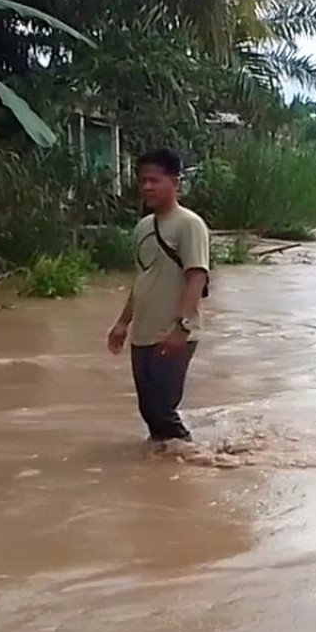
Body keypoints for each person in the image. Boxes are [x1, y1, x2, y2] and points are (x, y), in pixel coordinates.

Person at [107, 148, 211, 446]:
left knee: (163, 409)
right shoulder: (143, 227)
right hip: (143, 334)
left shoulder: (189, 224)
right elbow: (142, 280)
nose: (147, 187)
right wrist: (122, 323)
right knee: (149, 411)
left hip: (173, 332)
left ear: (175, 183)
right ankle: (162, 465)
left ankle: (191, 460)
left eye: (155, 180)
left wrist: (181, 326)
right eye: (143, 181)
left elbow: (196, 276)